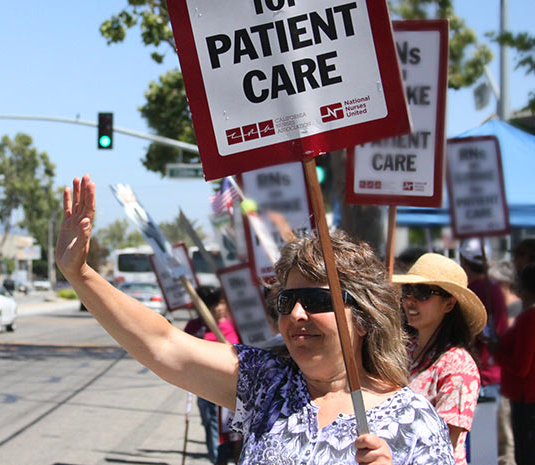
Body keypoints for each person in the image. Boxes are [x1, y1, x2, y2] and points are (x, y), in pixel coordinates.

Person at [56, 175, 453, 464]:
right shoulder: (265, 383)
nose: (297, 314)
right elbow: (163, 343)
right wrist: (81, 274)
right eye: (286, 301)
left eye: (316, 299)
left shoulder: (413, 420)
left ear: (364, 316)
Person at [392, 253, 486, 465]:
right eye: (407, 291)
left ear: (449, 304)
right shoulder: (403, 351)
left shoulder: (459, 365)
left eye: (423, 293)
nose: (410, 301)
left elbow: (444, 446)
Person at [459, 238, 511, 462]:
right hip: (493, 376)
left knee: (481, 451)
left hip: (482, 380)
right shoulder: (495, 290)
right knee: (490, 450)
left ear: (463, 261)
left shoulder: (473, 293)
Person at [185, 285, 241, 464]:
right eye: (215, 304)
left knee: (235, 433)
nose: (220, 308)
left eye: (221, 303)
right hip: (206, 390)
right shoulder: (194, 327)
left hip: (233, 390)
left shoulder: (232, 326)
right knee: (212, 428)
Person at [496, 263, 535, 465]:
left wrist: (497, 353)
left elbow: (521, 367)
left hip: (527, 400)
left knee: (526, 455)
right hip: (526, 398)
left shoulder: (529, 319)